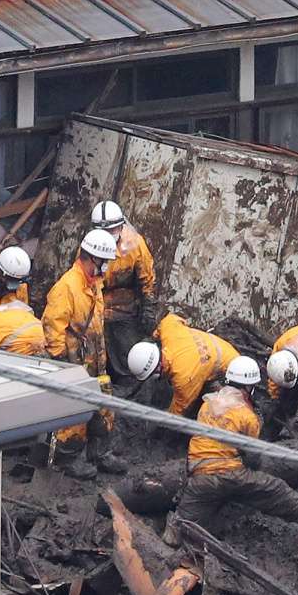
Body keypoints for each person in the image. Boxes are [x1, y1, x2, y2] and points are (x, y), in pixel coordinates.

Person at [162, 356, 298, 546]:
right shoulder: (246, 416)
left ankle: (170, 546)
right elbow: (253, 458)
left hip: (199, 478)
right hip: (231, 475)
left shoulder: (206, 405)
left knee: (181, 524)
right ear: (248, 387)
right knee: (276, 490)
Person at [42, 228, 128, 479]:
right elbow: (52, 325)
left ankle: (99, 453)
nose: (107, 268)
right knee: (74, 411)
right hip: (74, 360)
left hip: (95, 358)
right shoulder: (67, 287)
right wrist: (59, 360)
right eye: (105, 263)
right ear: (93, 259)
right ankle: (67, 459)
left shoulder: (94, 284)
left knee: (104, 404)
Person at [126, 312, 240, 418]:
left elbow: (180, 409)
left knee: (211, 406)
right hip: (218, 345)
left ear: (157, 369)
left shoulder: (183, 378)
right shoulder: (169, 331)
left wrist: (164, 419)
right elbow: (171, 319)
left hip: (230, 368)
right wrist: (156, 335)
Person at [91, 201, 157, 383]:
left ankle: (130, 387)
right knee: (99, 353)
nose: (110, 235)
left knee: (127, 354)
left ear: (121, 226)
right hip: (98, 308)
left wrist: (148, 308)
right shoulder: (90, 245)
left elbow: (147, 279)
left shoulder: (135, 245)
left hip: (126, 310)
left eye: (113, 230)